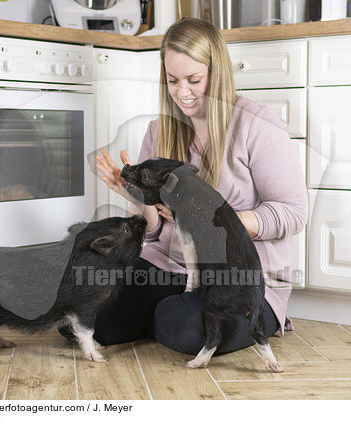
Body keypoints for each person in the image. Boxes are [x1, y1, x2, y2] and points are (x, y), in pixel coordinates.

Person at [90, 17, 308, 356]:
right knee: (95, 318)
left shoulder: (256, 124)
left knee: (184, 327)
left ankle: (174, 315)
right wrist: (137, 200)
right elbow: (153, 232)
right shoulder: (159, 131)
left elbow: (293, 212)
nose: (183, 92)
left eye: (194, 79)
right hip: (171, 267)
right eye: (172, 80)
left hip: (240, 278)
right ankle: (166, 311)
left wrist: (217, 221)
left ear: (217, 73)